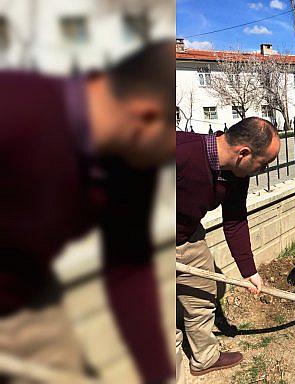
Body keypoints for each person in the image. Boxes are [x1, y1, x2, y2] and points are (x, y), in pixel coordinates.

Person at [0, 41, 176, 382]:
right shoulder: (14, 106)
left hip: (29, 298)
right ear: (146, 115)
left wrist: (157, 373)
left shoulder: (131, 161)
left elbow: (128, 266)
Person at [175, 117, 280, 378]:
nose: (263, 170)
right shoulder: (178, 151)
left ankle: (204, 357)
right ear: (244, 153)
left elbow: (234, 219)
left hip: (187, 235)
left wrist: (248, 270)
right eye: (264, 163)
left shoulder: (235, 174)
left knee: (203, 294)